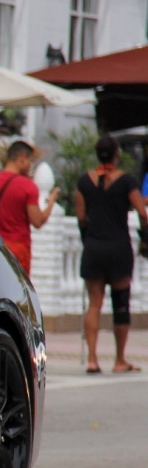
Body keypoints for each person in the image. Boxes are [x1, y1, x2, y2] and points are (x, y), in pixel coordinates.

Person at [74, 134, 148, 374]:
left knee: (94, 304)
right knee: (121, 303)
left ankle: (93, 360)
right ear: (117, 154)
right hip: (118, 247)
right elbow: (142, 212)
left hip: (94, 247)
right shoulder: (126, 181)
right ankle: (119, 360)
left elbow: (81, 217)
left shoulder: (84, 182)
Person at [0, 140, 59, 277]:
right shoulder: (28, 187)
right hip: (19, 249)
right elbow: (38, 222)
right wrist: (51, 203)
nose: (30, 166)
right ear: (22, 159)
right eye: (29, 162)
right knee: (18, 294)